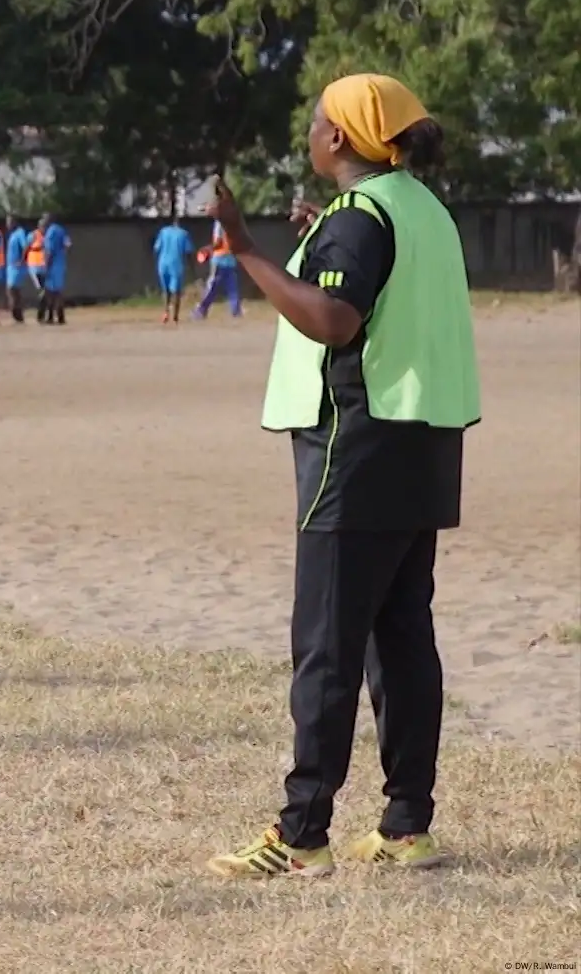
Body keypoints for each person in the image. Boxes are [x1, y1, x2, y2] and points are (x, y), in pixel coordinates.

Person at [205, 73, 478, 879]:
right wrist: (315, 239)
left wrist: (245, 247)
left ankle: (301, 835)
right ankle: (406, 825)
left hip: (354, 452)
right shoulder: (417, 207)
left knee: (327, 643)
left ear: (343, 141)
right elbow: (368, 281)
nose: (311, 133)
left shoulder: (362, 217)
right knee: (401, 635)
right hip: (420, 447)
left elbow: (335, 317)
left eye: (319, 122)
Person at [193, 220, 243, 319]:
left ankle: (201, 310)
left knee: (212, 287)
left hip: (219, 259)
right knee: (232, 288)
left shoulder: (219, 223)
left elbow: (218, 242)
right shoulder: (233, 223)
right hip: (231, 259)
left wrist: (208, 249)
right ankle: (236, 311)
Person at [152, 217, 192, 324]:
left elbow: (156, 248)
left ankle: (165, 312)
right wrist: (191, 267)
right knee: (176, 291)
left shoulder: (163, 232)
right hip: (176, 264)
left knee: (166, 291)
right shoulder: (184, 234)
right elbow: (188, 252)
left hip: (163, 263)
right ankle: (175, 316)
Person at [40, 213, 70, 324]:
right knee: (58, 291)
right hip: (60, 264)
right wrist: (62, 255)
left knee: (50, 292)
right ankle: (61, 316)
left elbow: (49, 251)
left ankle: (51, 316)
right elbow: (68, 244)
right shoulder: (61, 230)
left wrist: (47, 266)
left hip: (52, 265)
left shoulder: (50, 233)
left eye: (44, 219)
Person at [3, 214, 30, 324]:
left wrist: (22, 260)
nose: (7, 224)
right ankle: (18, 315)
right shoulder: (12, 234)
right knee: (14, 291)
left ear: (15, 222)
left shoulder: (20, 232)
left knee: (12, 289)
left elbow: (26, 246)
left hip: (17, 267)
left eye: (9, 222)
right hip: (10, 266)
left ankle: (16, 313)